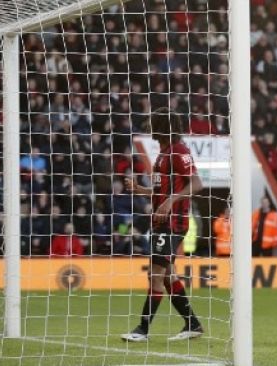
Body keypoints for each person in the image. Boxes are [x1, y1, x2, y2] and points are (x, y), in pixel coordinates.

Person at [120, 107, 204, 342]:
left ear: (161, 127)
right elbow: (162, 192)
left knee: (155, 276)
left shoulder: (179, 152)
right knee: (167, 276)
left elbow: (197, 184)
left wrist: (171, 201)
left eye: (152, 124)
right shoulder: (163, 154)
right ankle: (192, 324)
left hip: (172, 224)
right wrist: (142, 190)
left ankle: (142, 330)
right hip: (161, 223)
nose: (149, 128)